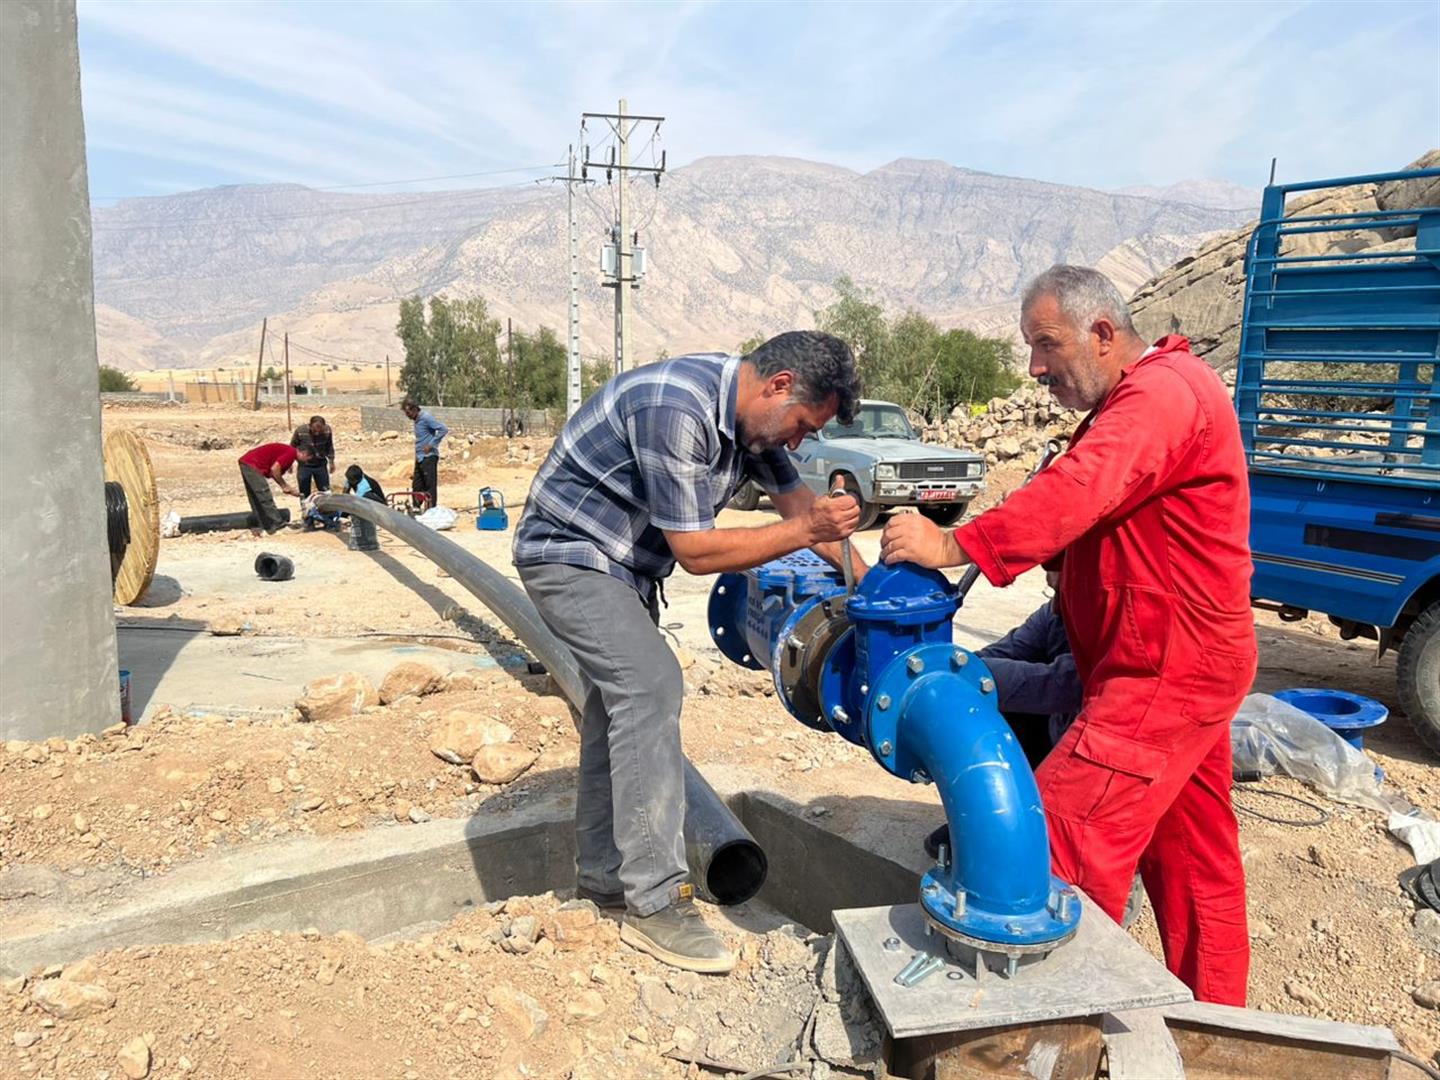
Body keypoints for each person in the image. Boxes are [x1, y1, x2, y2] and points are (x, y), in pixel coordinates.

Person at [879, 265, 1255, 1006]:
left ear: (1104, 333)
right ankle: (1213, 1024)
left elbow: (1079, 488)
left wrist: (953, 546)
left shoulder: (1162, 394)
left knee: (1050, 844)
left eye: (1046, 345)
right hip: (1175, 667)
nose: (1035, 367)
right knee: (1191, 861)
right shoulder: (1149, 396)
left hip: (1164, 675)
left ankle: (1042, 1032)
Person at [514, 331, 865, 974]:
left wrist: (869, 591)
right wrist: (807, 528)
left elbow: (799, 508)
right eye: (801, 426)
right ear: (778, 385)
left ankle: (604, 880)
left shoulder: (752, 424)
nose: (798, 442)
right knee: (650, 686)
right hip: (568, 557)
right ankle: (657, 902)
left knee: (614, 707)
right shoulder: (675, 408)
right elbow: (698, 553)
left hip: (623, 569)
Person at [238, 441, 310, 535]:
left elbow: (274, 471)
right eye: (307, 458)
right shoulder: (291, 452)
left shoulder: (289, 452)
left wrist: (286, 488)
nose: (306, 461)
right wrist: (284, 486)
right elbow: (275, 469)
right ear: (304, 453)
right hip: (253, 464)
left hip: (247, 462)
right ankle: (278, 525)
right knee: (264, 495)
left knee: (256, 497)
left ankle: (266, 526)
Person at [400, 399, 448, 510]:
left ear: (415, 409)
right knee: (417, 485)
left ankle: (431, 510)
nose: (408, 416)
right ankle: (416, 508)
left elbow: (443, 429)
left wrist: (431, 445)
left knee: (429, 487)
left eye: (408, 413)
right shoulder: (417, 420)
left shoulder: (426, 418)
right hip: (420, 458)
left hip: (429, 457)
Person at [290, 415, 336, 497]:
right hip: (304, 466)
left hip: (320, 465)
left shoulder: (327, 431)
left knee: (325, 491)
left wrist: (331, 461)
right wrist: (290, 462)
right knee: (304, 492)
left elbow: (329, 446)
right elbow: (292, 447)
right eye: (315, 430)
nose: (317, 433)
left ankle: (325, 509)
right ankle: (305, 508)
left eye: (320, 430)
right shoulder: (300, 431)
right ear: (310, 426)